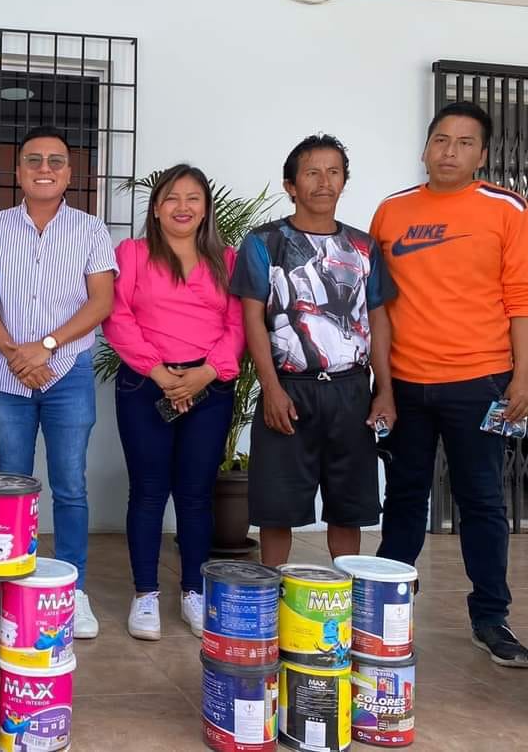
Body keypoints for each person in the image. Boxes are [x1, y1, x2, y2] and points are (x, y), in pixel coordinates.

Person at [370, 101, 528, 667]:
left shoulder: (506, 209)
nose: (450, 152)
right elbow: (377, 306)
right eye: (441, 140)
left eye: (464, 143)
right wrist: (382, 384)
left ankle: (490, 617)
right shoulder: (391, 212)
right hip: (406, 383)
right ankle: (385, 606)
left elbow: (520, 299)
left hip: (480, 381)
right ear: (425, 148)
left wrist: (523, 376)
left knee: (481, 500)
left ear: (482, 154)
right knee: (404, 497)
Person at [0, 125, 116, 639]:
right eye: (33, 160)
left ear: (69, 173)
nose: (44, 169)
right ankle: (10, 584)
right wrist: (18, 355)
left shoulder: (90, 229)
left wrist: (47, 347)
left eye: (55, 161)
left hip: (68, 372)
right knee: (11, 485)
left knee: (70, 485)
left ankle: (72, 590)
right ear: (18, 171)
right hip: (7, 373)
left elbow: (101, 302)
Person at [231, 135, 395, 570]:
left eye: (334, 172)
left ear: (344, 181)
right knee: (277, 506)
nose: (324, 182)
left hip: (351, 391)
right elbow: (252, 320)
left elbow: (378, 319)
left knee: (348, 505)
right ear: (291, 185)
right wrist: (271, 388)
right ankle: (273, 590)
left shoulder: (364, 247)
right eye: (312, 173)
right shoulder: (263, 243)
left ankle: (347, 592)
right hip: (289, 387)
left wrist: (384, 391)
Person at [103, 164, 244, 640]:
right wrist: (161, 373)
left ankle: (193, 593)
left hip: (209, 388)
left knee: (196, 493)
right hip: (146, 386)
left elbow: (238, 324)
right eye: (172, 198)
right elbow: (117, 316)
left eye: (192, 198)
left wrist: (206, 372)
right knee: (147, 490)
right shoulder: (133, 253)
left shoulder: (227, 260)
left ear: (205, 209)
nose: (182, 207)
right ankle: (145, 594)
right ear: (157, 208)